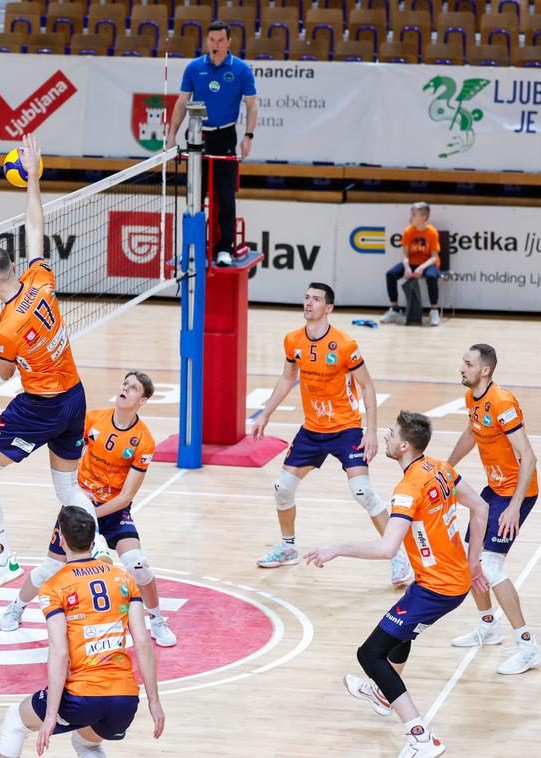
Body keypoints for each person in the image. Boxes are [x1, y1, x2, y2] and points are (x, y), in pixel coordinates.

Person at [305, 411, 490, 758]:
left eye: (390, 434)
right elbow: (480, 508)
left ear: (404, 445)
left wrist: (336, 548)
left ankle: (421, 737)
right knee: (401, 634)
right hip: (443, 581)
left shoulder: (407, 490)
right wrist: (473, 561)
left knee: (370, 654)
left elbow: (387, 548)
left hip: (438, 589)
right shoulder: (440, 468)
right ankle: (381, 694)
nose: (385, 437)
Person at [0, 133, 98, 596]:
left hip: (39, 406)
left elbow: (3, 375)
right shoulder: (39, 281)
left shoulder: (5, 329)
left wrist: (4, 350)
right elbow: (36, 226)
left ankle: (1, 559)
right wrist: (34, 180)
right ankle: (94, 551)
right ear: (14, 267)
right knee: (67, 487)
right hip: (75, 395)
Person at [0, 371, 177, 648]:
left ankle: (157, 620)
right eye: (125, 384)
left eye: (133, 389)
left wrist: (94, 515)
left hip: (113, 511)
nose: (125, 390)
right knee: (49, 569)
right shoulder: (93, 419)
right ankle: (15, 608)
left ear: (143, 400)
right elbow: (67, 457)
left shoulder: (143, 441)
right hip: (78, 506)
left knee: (138, 565)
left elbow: (127, 495)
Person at [251, 283, 413, 587]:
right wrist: (265, 413)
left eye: (316, 300)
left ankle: (398, 558)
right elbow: (288, 378)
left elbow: (367, 385)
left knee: (363, 492)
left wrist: (372, 431)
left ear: (329, 309)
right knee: (282, 488)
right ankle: (288, 547)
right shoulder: (293, 341)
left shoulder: (345, 345)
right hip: (312, 429)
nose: (309, 303)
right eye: (307, 298)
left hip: (346, 428)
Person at [0, 506, 165, 758]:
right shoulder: (124, 579)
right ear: (94, 539)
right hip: (125, 700)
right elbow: (141, 641)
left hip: (82, 696)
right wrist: (154, 701)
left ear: (61, 539)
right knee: (87, 744)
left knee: (14, 723)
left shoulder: (54, 586)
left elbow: (60, 652)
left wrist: (51, 714)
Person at [446, 344, 541, 675]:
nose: (461, 367)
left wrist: (514, 507)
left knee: (490, 565)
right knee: (468, 558)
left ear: (484, 370)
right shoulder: (473, 398)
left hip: (517, 493)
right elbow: (472, 433)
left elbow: (528, 457)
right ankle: (489, 627)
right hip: (495, 490)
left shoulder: (502, 402)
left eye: (468, 363)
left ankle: (528, 646)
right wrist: (446, 468)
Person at [166, 20, 258, 267]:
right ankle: (195, 247)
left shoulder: (241, 69)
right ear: (206, 41)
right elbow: (181, 103)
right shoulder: (194, 68)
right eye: (211, 40)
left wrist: (248, 136)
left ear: (228, 42)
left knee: (225, 196)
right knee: (195, 196)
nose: (214, 45)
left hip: (225, 135)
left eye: (219, 41)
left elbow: (251, 105)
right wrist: (171, 135)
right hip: (197, 136)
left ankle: (224, 249)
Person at [381, 202, 442, 328]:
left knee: (431, 276)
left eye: (414, 215)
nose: (410, 217)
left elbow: (434, 257)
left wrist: (421, 268)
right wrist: (407, 268)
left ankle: (434, 311)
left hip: (427, 264)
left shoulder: (432, 232)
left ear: (423, 217)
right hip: (411, 263)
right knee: (391, 274)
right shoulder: (408, 231)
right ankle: (395, 309)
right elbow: (405, 255)